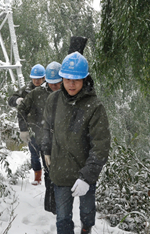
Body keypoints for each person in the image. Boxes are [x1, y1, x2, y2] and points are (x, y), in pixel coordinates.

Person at [42, 52, 111, 234]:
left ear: (85, 79)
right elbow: (47, 128)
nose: (71, 84)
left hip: (84, 173)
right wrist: (46, 150)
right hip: (61, 171)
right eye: (67, 79)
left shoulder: (95, 107)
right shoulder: (53, 100)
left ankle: (86, 230)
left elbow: (101, 145)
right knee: (63, 219)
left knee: (87, 214)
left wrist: (87, 177)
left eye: (77, 80)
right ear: (62, 78)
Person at [17, 62, 62, 191]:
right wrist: (24, 129)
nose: (55, 86)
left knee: (62, 173)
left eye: (58, 82)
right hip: (43, 137)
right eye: (52, 82)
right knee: (49, 170)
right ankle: (52, 202)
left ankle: (62, 200)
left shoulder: (68, 93)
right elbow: (21, 109)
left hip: (64, 140)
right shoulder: (36, 93)